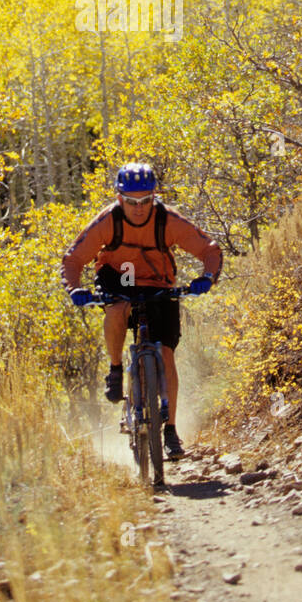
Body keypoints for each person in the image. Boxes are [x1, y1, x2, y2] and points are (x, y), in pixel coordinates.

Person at [62, 162, 223, 459]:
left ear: (154, 196)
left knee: (165, 353)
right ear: (119, 198)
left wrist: (206, 278)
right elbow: (73, 260)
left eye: (146, 200)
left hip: (157, 282)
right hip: (120, 276)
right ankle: (115, 369)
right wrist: (75, 289)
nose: (138, 208)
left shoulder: (167, 220)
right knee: (117, 307)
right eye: (131, 202)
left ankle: (171, 431)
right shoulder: (108, 222)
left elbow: (210, 250)